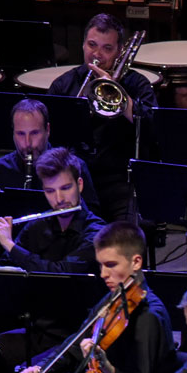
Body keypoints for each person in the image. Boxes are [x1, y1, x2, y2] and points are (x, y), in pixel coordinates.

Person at [15, 222, 178, 373]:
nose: (102, 274)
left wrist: (108, 369)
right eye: (100, 265)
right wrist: (42, 367)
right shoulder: (113, 299)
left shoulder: (148, 316)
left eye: (110, 265)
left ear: (136, 262)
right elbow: (77, 340)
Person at [47, 13, 156, 220]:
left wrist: (120, 94)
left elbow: (154, 128)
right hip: (74, 180)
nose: (97, 54)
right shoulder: (63, 85)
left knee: (125, 236)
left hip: (119, 181)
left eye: (107, 49)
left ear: (119, 51)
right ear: (82, 45)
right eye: (92, 45)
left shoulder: (136, 84)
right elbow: (49, 136)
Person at [0, 148, 105, 275]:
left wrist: (10, 245)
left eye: (65, 188)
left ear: (79, 185)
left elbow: (61, 273)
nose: (59, 199)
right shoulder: (36, 226)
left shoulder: (97, 233)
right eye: (50, 191)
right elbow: (4, 270)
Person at [0, 99, 102, 211]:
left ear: (47, 130)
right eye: (20, 134)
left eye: (34, 133)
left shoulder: (74, 166)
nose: (27, 143)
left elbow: (91, 217)